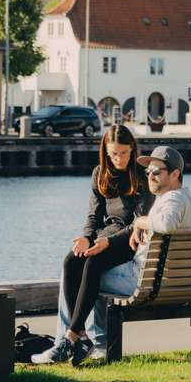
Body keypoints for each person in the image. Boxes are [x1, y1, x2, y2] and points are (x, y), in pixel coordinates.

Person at [32, 124, 149, 366]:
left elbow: (138, 223)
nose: (119, 159)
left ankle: (71, 337)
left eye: (124, 153)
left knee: (93, 263)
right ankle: (82, 337)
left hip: (127, 241)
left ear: (132, 149)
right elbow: (94, 216)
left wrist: (108, 242)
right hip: (104, 236)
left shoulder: (142, 176)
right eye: (114, 154)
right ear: (106, 151)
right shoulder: (100, 173)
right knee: (71, 260)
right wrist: (86, 237)